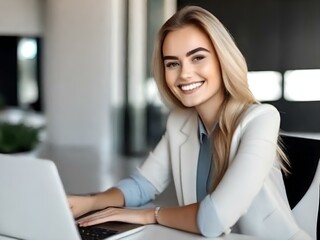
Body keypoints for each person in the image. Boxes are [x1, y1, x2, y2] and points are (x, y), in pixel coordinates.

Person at [69, 5, 311, 239]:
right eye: (172, 63)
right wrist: (89, 202)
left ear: (221, 59)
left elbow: (213, 220)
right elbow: (143, 185)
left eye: (197, 58)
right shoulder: (180, 122)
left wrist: (150, 215)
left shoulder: (261, 118)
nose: (184, 73)